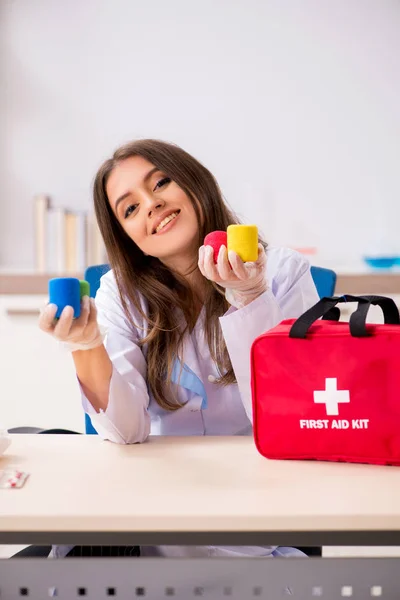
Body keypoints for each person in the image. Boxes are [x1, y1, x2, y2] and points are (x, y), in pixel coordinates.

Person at [39, 139, 320, 559]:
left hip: (258, 506)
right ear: (127, 237)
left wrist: (252, 299)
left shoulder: (283, 272)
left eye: (162, 183)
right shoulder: (119, 293)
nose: (151, 205)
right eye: (130, 209)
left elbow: (294, 419)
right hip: (157, 508)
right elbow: (127, 432)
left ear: (194, 183)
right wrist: (87, 344)